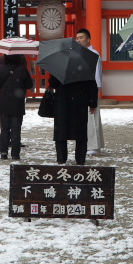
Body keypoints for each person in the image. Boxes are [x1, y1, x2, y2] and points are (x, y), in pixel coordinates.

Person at [0, 54, 33, 160]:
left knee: (4, 129)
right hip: (17, 103)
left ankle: (3, 152)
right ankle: (15, 154)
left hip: (4, 102)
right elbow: (29, 85)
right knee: (16, 129)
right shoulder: (22, 70)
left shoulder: (0, 69)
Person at [49, 75, 98, 165]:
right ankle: (80, 158)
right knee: (80, 131)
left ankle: (61, 158)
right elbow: (92, 86)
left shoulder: (60, 66)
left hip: (62, 102)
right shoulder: (85, 69)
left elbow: (53, 83)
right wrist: (92, 103)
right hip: (80, 102)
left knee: (61, 131)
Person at [75, 28, 105, 156]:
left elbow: (97, 75)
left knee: (92, 118)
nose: (79, 40)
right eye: (77, 38)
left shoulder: (93, 54)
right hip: (81, 90)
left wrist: (95, 91)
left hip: (90, 90)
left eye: (81, 37)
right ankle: (88, 144)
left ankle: (94, 146)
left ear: (88, 39)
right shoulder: (79, 54)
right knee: (84, 119)